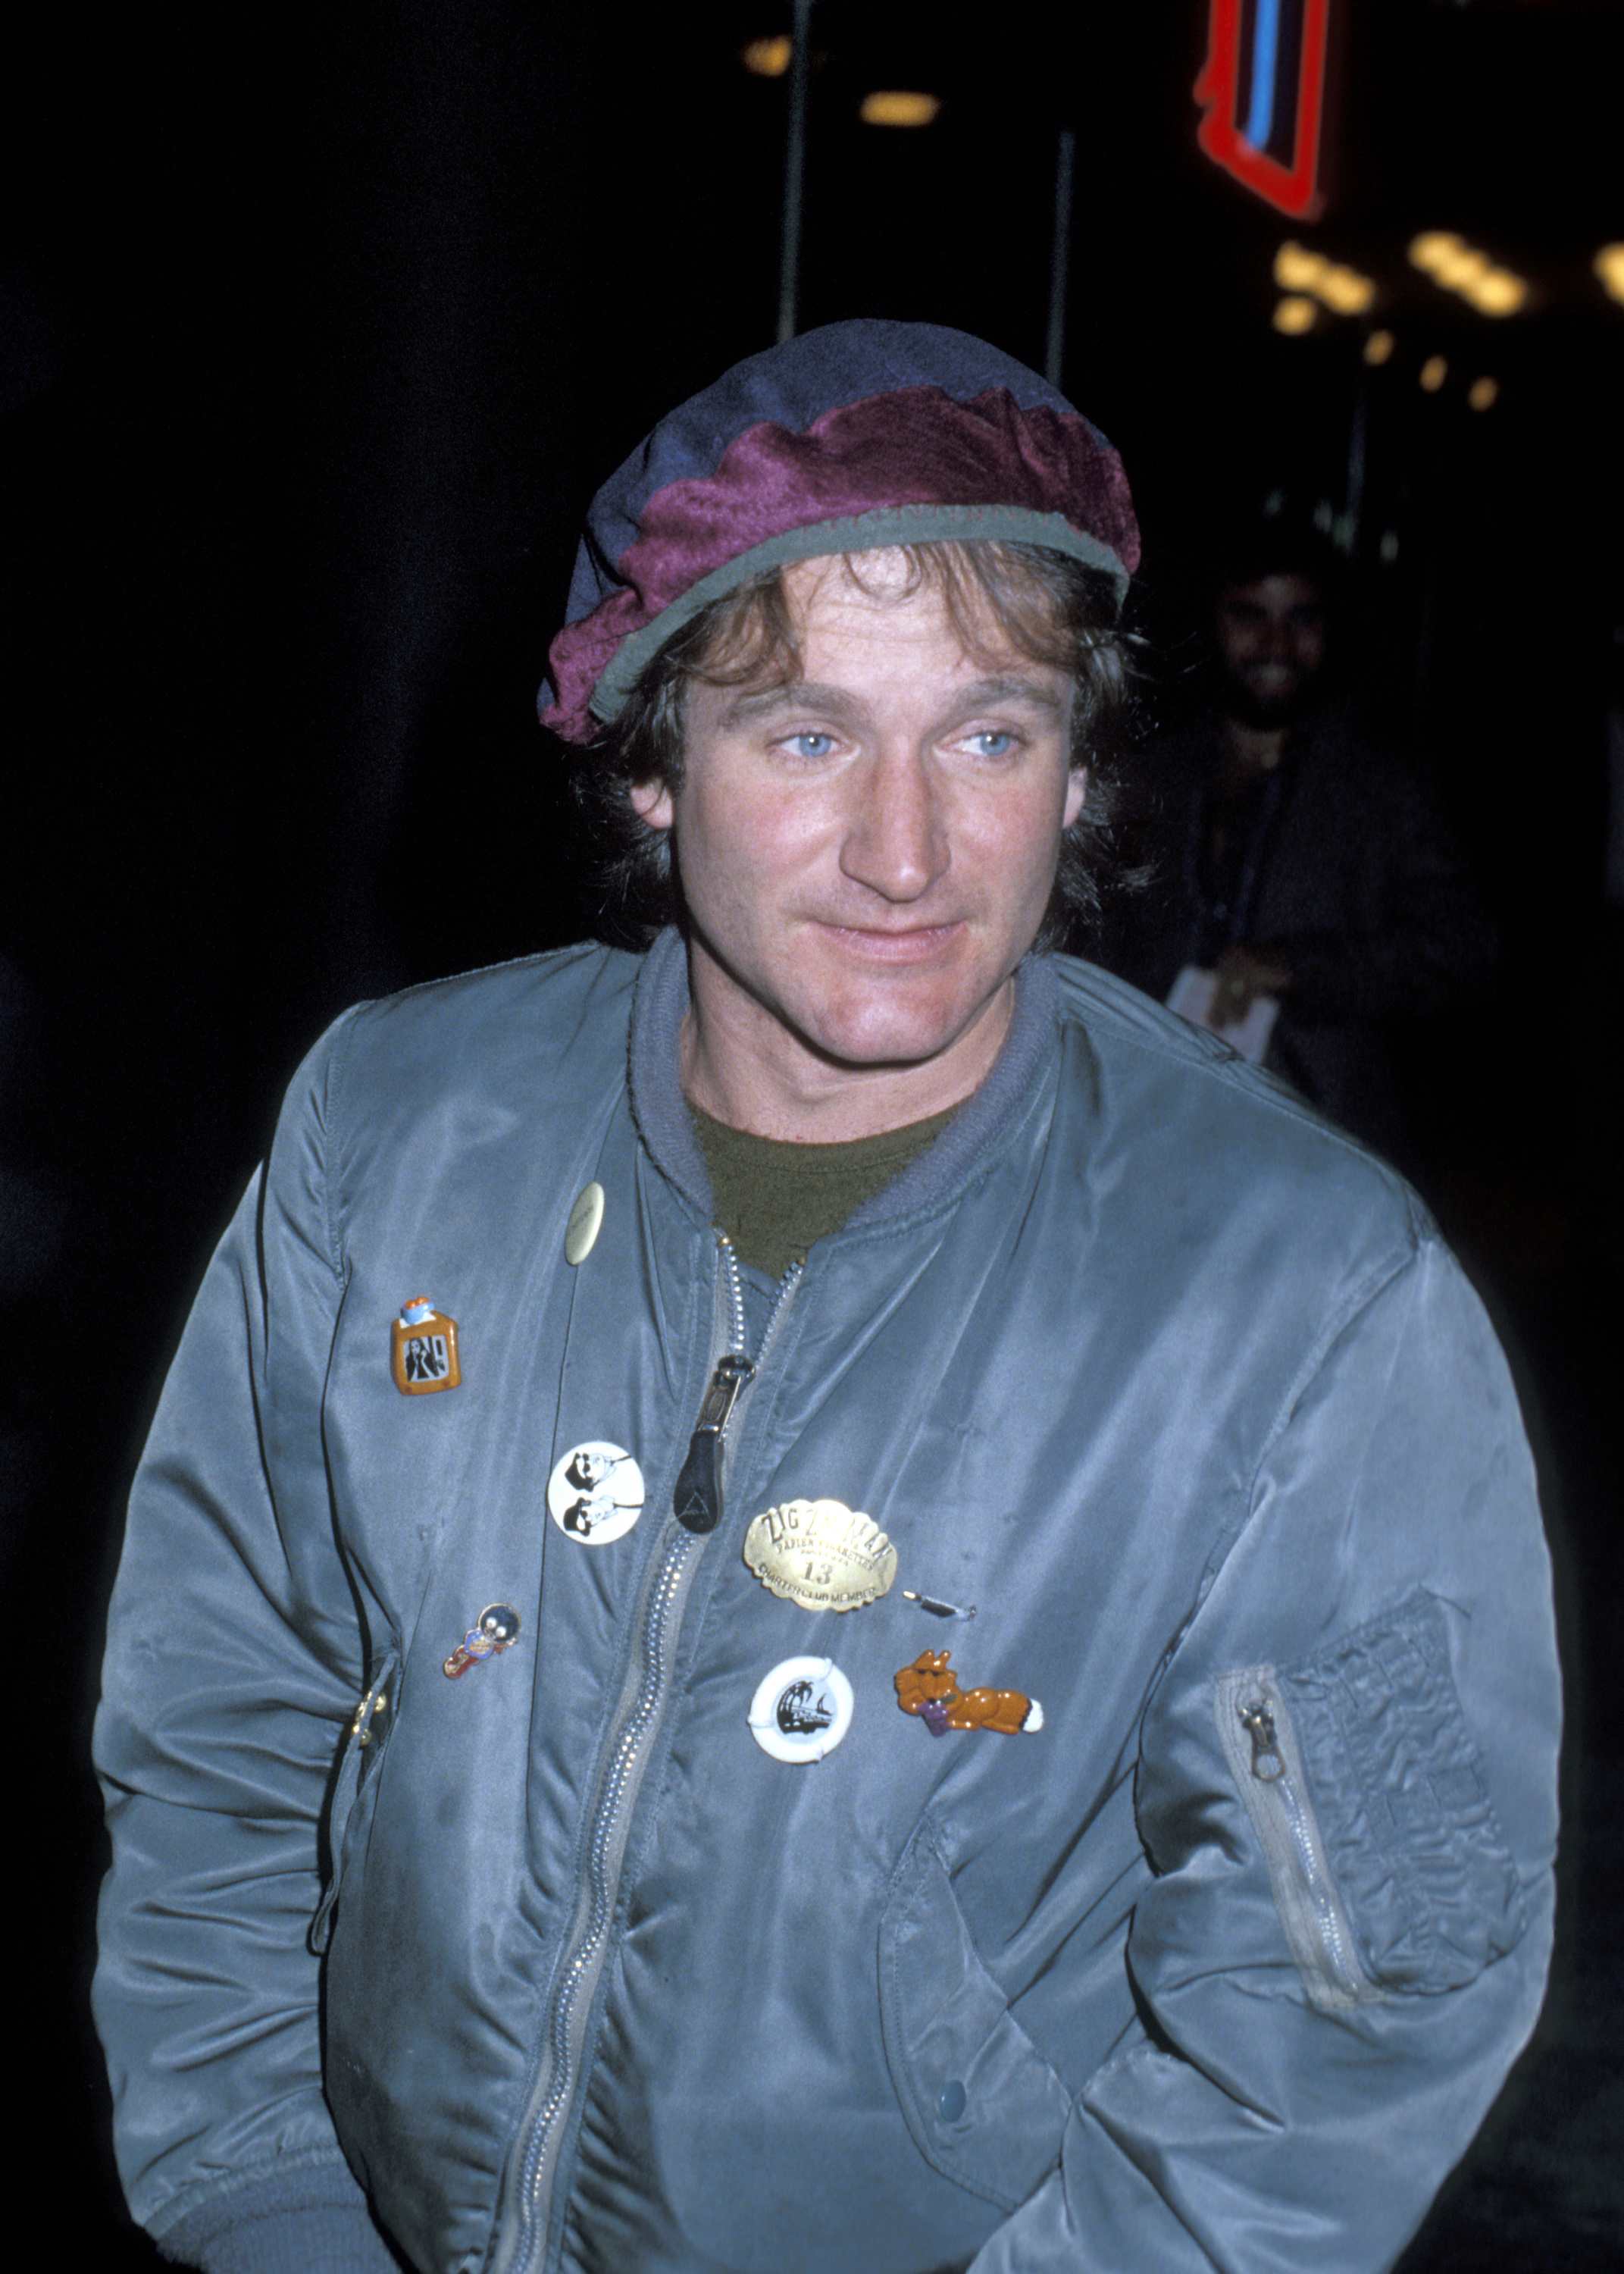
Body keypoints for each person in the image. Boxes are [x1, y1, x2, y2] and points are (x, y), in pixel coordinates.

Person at [94, 322, 1560, 2274]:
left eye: (988, 732)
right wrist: (271, 2199)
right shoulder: (398, 1124)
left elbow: (1366, 1989)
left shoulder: (1301, 1288)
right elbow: (225, 1718)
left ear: (1074, 766)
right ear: (648, 773)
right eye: (804, 734)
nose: (905, 851)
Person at [1103, 529, 1497, 1160]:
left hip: (1319, 1138)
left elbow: (1463, 949)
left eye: (1302, 618)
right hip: (1154, 1129)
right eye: (1249, 616)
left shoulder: (1381, 785)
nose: (1276, 645)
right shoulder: (1155, 773)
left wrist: (1298, 968)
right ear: (1211, 622)